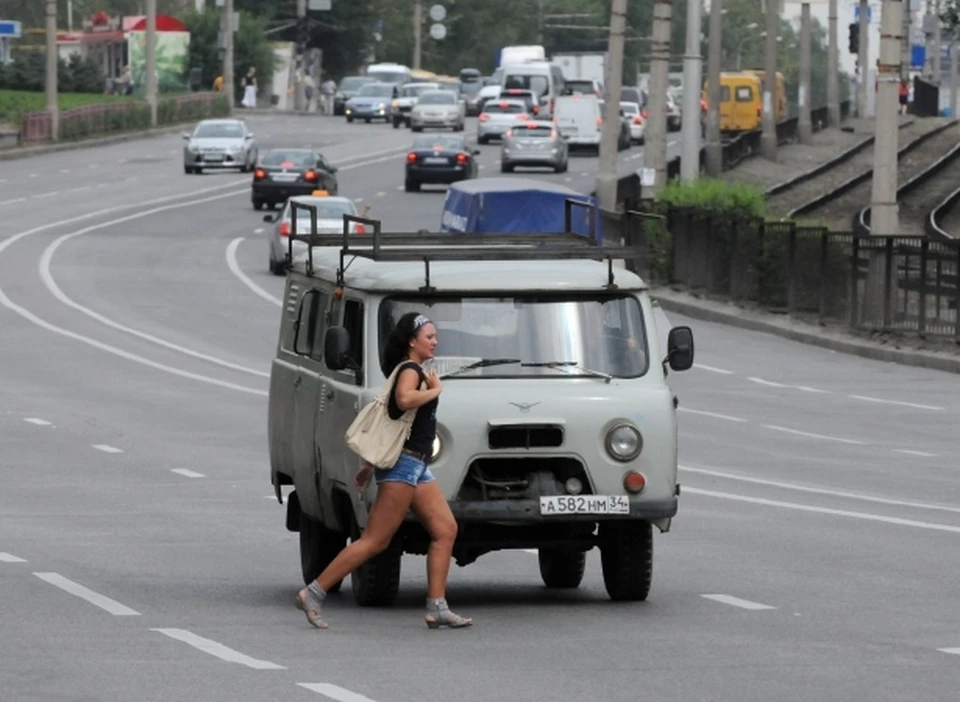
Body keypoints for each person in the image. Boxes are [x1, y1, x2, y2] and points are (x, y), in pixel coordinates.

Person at [295, 312, 472, 631]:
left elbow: (392, 423)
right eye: (429, 337)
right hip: (404, 466)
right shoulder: (410, 370)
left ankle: (437, 607)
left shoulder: (414, 370)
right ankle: (313, 592)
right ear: (411, 342)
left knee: (446, 530)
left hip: (416, 466)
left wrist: (367, 466)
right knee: (376, 540)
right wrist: (435, 391)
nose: (435, 341)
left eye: (435, 336)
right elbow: (403, 401)